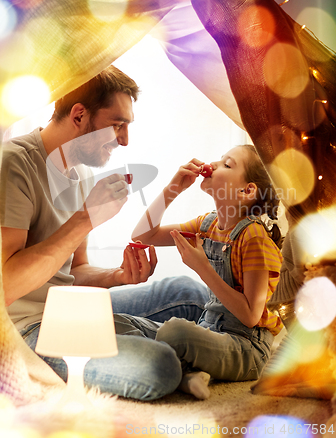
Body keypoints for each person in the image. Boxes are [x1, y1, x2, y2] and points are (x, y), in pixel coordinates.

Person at [0, 65, 189, 401]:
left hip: (71, 308)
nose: (125, 140)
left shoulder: (83, 173)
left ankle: (181, 342)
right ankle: (181, 347)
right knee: (159, 366)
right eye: (117, 125)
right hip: (28, 328)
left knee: (186, 291)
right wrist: (85, 219)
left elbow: (74, 271)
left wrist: (118, 276)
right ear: (79, 115)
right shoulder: (13, 164)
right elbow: (6, 285)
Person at [129, 145, 284, 399]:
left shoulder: (254, 237)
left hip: (246, 347)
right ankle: (192, 371)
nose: (214, 163)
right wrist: (172, 190)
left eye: (227, 164)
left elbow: (250, 316)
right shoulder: (208, 223)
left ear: (247, 191)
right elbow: (143, 235)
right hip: (210, 330)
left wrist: (201, 266)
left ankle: (186, 368)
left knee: (174, 332)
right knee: (121, 323)